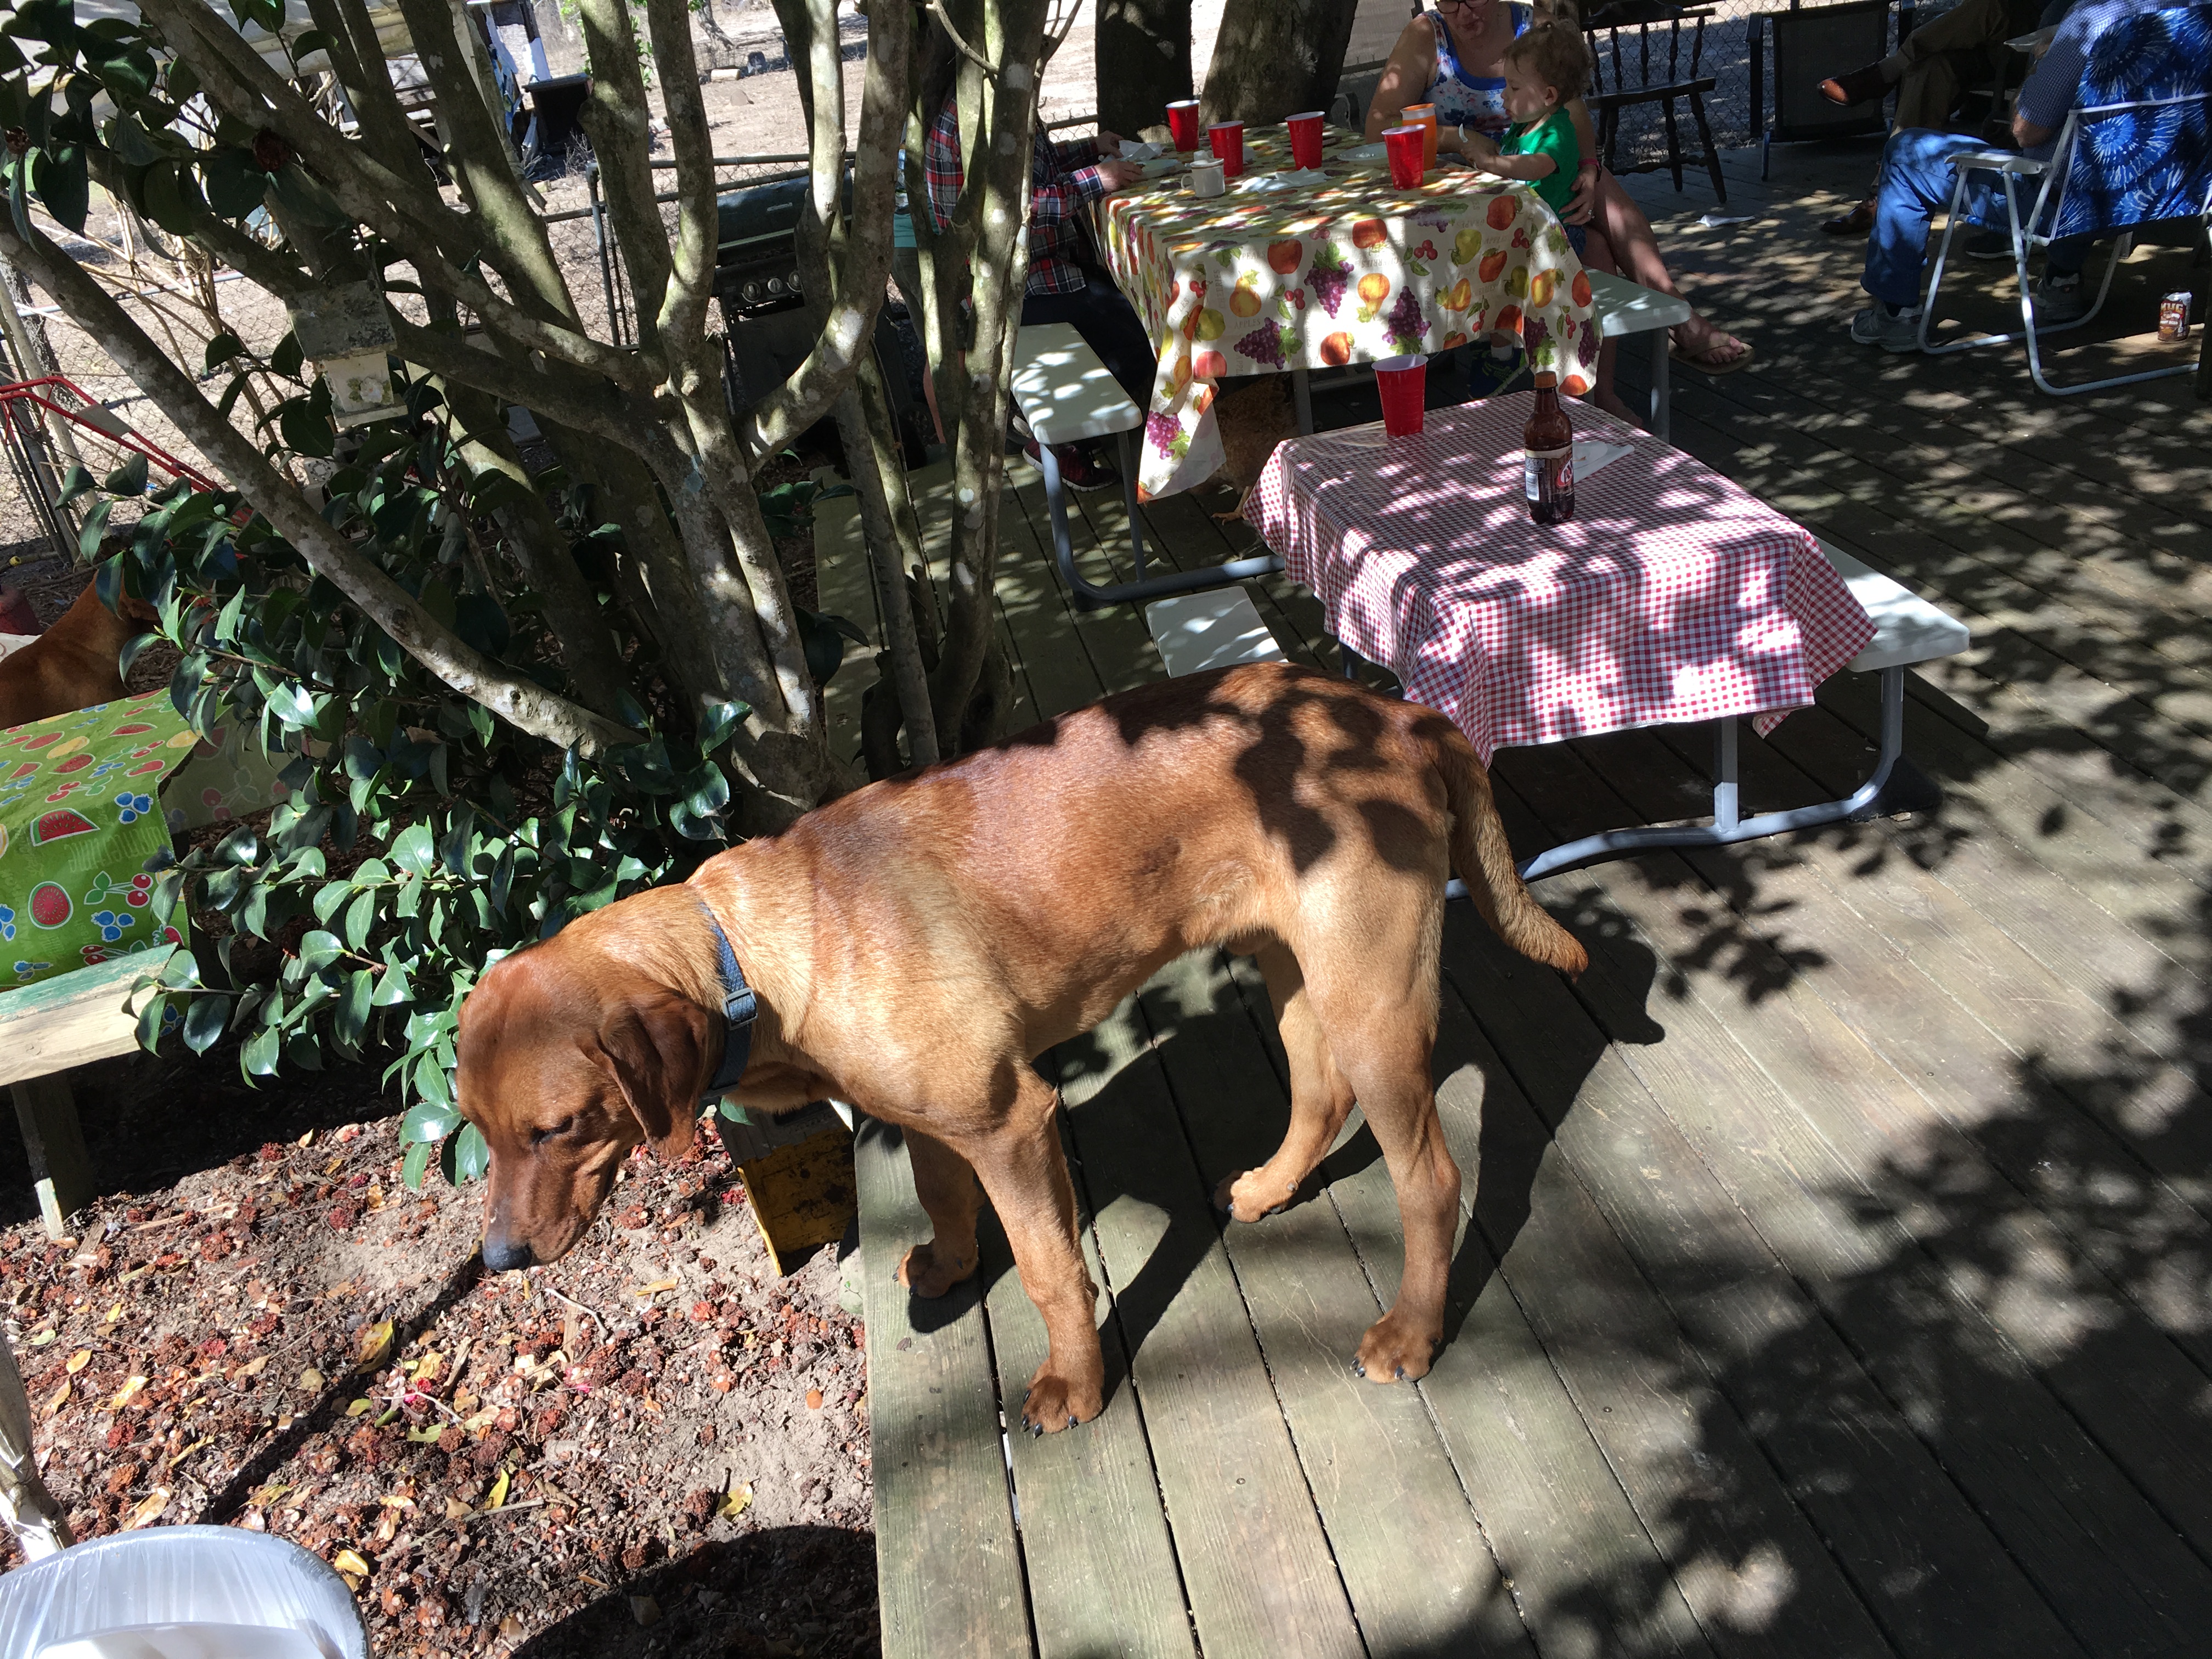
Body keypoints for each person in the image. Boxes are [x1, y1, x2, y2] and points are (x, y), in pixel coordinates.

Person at [1368, 0, 1754, 377]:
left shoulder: (1534, 28)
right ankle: (1622, 361)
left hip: (1539, 167)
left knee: (1601, 200)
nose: (1464, 12)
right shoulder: (1427, 35)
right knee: (1595, 244)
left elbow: (1573, 116)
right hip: (1468, 179)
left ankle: (1665, 318)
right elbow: (1378, 126)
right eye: (1449, 2)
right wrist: (1458, 138)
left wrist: (1588, 169)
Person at [1849, 0, 2166, 351]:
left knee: (1905, 151)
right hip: (2155, 196)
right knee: (2095, 159)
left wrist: (2041, 64)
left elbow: (2026, 131)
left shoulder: (2092, 21)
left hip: (2061, 205)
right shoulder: (2197, 12)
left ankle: (1894, 314)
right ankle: (2062, 281)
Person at [923, 70, 1149, 490]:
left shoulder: (996, 98)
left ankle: (1057, 431)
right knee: (1146, 335)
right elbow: (1011, 212)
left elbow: (1034, 170)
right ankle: (1061, 443)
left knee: (1128, 312)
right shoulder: (973, 123)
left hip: (1036, 271)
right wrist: (1096, 179)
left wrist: (1092, 149)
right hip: (1013, 286)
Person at [1815, 0, 2068, 235]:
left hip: (2049, 46)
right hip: (2003, 45)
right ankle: (1885, 192)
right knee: (1931, 68)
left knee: (1994, 6)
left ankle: (1888, 70)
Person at [1458, 21, 1590, 257]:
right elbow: (1510, 162)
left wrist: (1490, 162)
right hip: (1527, 229)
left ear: (1548, 95)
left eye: (1515, 88)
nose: (1504, 94)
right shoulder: (1520, 127)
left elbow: (1536, 167)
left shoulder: (1557, 132)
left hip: (1557, 234)